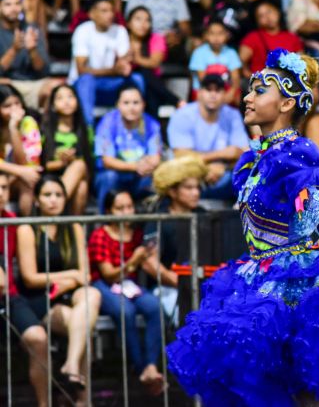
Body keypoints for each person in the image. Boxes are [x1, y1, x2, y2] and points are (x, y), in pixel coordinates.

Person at [167, 49, 319, 406]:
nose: (247, 97)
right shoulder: (256, 157)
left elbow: (312, 193)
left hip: (294, 280)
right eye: (250, 89)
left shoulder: (294, 151)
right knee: (271, 386)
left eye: (259, 91)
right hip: (260, 274)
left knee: (308, 388)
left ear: (287, 103)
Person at [16, 175, 101, 399]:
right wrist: (71, 276)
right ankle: (83, 400)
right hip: (39, 299)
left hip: (69, 295)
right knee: (82, 326)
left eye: (59, 195)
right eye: (47, 195)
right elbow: (30, 278)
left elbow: (86, 275)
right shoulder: (27, 228)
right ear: (36, 200)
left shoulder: (73, 226)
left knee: (91, 295)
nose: (53, 200)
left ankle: (71, 366)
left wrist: (67, 282)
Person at [88, 189, 165, 395]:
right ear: (109, 211)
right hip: (104, 284)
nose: (126, 212)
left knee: (154, 307)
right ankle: (140, 367)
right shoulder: (100, 235)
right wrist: (132, 261)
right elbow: (109, 275)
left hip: (129, 285)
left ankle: (151, 365)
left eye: (129, 207)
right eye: (120, 208)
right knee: (126, 312)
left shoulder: (137, 234)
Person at [1, 172, 52, 407]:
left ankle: (44, 404)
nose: (0, 193)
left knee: (38, 338)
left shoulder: (12, 222)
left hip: (9, 297)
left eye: (3, 188)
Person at [143, 156, 207, 321]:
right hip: (167, 289)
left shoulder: (203, 215)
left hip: (204, 286)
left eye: (197, 187)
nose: (196, 192)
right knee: (186, 317)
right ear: (172, 191)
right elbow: (150, 262)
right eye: (189, 188)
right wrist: (181, 282)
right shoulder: (159, 219)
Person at [167, 73, 250, 200]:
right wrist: (216, 160)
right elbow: (180, 155)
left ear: (224, 95)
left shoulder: (232, 115)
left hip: (223, 173)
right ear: (199, 92)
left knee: (248, 172)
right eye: (208, 89)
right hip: (190, 173)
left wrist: (224, 166)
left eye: (218, 90)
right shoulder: (182, 115)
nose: (213, 95)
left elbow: (245, 153)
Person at [69, 0, 145, 125]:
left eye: (111, 11)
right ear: (92, 14)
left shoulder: (120, 31)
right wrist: (114, 70)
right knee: (87, 80)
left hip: (111, 83)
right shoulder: (83, 31)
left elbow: (123, 64)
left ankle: (139, 125)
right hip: (85, 86)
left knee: (137, 79)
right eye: (104, 11)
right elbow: (82, 70)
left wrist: (126, 65)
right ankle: (88, 130)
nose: (110, 15)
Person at [94, 84, 161, 211]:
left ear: (143, 104)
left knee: (154, 178)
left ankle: (146, 224)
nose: (131, 108)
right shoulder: (108, 123)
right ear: (118, 105)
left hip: (139, 177)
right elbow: (107, 161)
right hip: (115, 176)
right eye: (126, 103)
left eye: (136, 102)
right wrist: (136, 166)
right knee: (109, 177)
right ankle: (103, 221)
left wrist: (146, 166)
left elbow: (155, 158)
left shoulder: (151, 124)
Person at [0, 0, 54, 111]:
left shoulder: (32, 29)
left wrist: (32, 50)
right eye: (8, 5)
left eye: (17, 3)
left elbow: (44, 71)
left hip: (33, 84)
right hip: (7, 84)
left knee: (54, 88)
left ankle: (46, 129)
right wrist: (14, 50)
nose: (14, 9)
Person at [40, 85, 91, 214]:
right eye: (60, 98)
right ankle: (71, 225)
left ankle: (55, 206)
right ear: (52, 105)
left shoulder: (86, 131)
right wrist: (62, 162)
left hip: (80, 175)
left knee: (80, 169)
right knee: (81, 187)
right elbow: (42, 166)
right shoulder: (45, 131)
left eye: (70, 96)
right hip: (50, 178)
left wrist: (72, 160)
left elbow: (89, 164)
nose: (66, 101)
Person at [126, 6, 181, 116]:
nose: (143, 24)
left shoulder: (156, 38)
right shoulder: (121, 37)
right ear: (128, 23)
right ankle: (177, 101)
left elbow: (154, 63)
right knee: (141, 75)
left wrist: (134, 58)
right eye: (138, 19)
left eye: (148, 20)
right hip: (126, 82)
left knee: (145, 76)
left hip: (152, 85)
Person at [0, 86, 41, 214]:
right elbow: (24, 169)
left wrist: (13, 128)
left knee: (27, 182)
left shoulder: (28, 123)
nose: (14, 110)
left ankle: (26, 228)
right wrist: (20, 171)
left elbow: (26, 164)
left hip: (14, 182)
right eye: (7, 106)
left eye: (17, 103)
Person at [239, 0, 304, 78]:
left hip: (289, 83)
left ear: (277, 11)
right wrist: (253, 78)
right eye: (261, 16)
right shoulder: (252, 38)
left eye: (269, 11)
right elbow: (240, 62)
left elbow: (303, 63)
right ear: (257, 22)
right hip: (263, 84)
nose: (267, 17)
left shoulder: (292, 37)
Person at [188, 21, 242, 105]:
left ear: (227, 35)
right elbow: (202, 79)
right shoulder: (199, 52)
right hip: (205, 89)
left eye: (220, 33)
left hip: (225, 90)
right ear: (206, 36)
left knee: (237, 93)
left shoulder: (231, 53)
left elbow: (235, 78)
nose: (216, 37)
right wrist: (218, 95)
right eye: (212, 33)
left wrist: (231, 92)